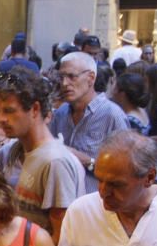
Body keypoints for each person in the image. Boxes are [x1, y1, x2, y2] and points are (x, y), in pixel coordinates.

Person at [0, 67, 85, 245]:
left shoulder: (55, 161)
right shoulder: (21, 151)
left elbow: (61, 239)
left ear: (35, 109)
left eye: (9, 110)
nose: (1, 119)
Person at [49, 52, 129, 193]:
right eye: (61, 77)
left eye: (72, 76)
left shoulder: (111, 114)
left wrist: (87, 161)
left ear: (91, 78)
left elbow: (126, 168)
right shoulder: (61, 113)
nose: (64, 83)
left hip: (97, 204)